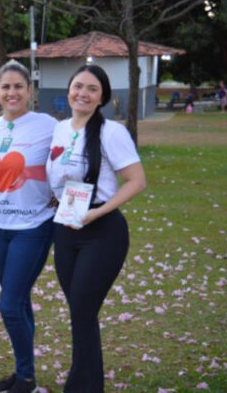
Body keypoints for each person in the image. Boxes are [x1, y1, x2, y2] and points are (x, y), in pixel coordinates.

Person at [46, 65, 146, 392]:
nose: (83, 94)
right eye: (78, 86)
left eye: (92, 89)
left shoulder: (111, 132)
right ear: (69, 89)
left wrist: (98, 212)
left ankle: (81, 386)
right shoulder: (60, 129)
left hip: (101, 230)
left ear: (102, 97)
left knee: (83, 309)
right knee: (79, 312)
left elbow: (137, 181)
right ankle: (88, 384)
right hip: (66, 226)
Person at [0, 60, 57, 393]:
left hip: (32, 227)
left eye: (18, 86)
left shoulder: (48, 124)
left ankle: (26, 378)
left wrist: (64, 193)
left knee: (9, 304)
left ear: (29, 91)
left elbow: (71, 159)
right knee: (20, 300)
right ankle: (23, 370)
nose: (12, 92)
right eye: (5, 87)